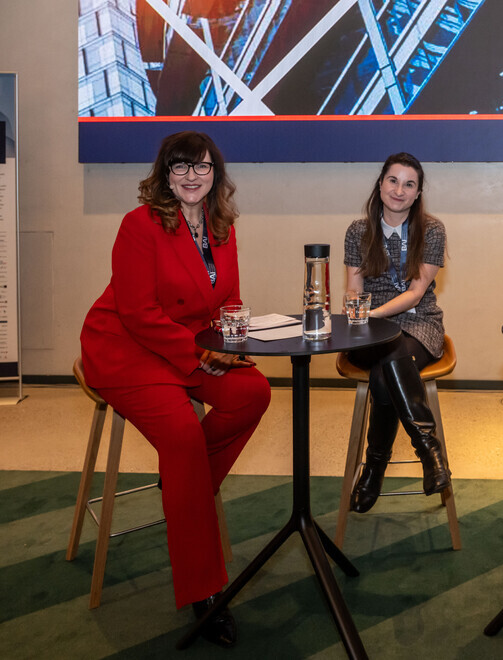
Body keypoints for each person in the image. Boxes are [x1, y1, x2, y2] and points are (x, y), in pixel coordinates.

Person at [79, 131, 270, 647]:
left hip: (188, 345)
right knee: (184, 437)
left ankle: (185, 488)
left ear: (215, 174)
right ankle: (203, 592)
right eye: (180, 167)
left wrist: (231, 342)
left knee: (254, 393)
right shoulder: (138, 225)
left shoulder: (223, 228)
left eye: (201, 167)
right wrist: (200, 355)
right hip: (126, 348)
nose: (191, 176)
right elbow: (139, 314)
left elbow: (226, 298)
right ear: (165, 174)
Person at [344, 152, 450, 513]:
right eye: (393, 181)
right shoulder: (359, 231)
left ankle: (374, 468)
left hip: (419, 323)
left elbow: (416, 293)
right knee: (389, 353)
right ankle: (429, 451)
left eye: (409, 184)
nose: (399, 190)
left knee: (388, 365)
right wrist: (363, 316)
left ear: (418, 193)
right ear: (380, 183)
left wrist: (374, 313)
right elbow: (353, 292)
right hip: (370, 329)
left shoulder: (431, 230)